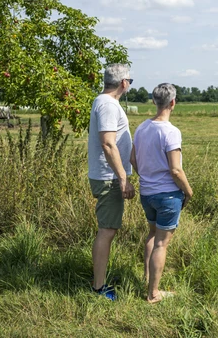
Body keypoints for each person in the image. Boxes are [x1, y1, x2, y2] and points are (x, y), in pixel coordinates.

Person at [130, 83, 193, 304]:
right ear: (173, 102)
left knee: (152, 235)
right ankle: (153, 293)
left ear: (154, 101)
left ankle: (148, 279)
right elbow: (175, 169)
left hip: (147, 194)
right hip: (167, 195)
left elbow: (133, 159)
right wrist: (188, 191)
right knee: (161, 244)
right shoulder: (171, 132)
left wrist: (146, 176)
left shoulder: (141, 128)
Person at [87, 63, 135, 300]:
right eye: (130, 81)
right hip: (109, 177)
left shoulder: (104, 102)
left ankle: (100, 277)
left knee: (108, 228)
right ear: (124, 83)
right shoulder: (107, 104)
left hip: (108, 175)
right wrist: (123, 178)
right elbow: (108, 143)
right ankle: (98, 287)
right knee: (107, 230)